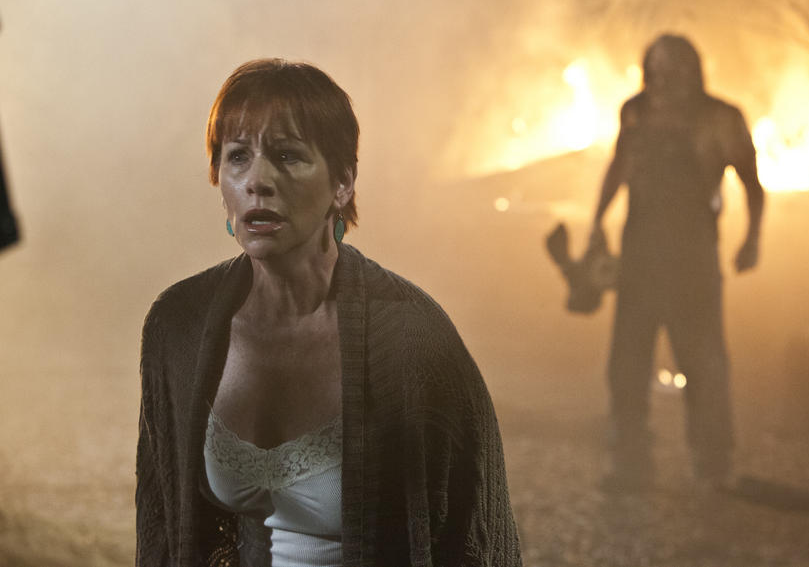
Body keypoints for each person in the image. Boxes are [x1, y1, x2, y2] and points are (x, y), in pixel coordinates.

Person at [135, 59, 522, 566]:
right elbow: (163, 530)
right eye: (237, 157)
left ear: (342, 182)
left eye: (287, 155)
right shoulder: (179, 325)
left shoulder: (413, 340)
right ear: (218, 178)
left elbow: (472, 538)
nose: (257, 180)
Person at [591, 34, 764, 490]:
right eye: (657, 70)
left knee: (703, 361)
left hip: (693, 261)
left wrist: (752, 239)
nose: (664, 81)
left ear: (694, 72)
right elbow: (619, 165)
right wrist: (596, 221)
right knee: (627, 364)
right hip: (639, 257)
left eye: (674, 71)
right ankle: (629, 462)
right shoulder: (635, 112)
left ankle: (713, 464)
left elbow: (752, 183)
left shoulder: (721, 118)